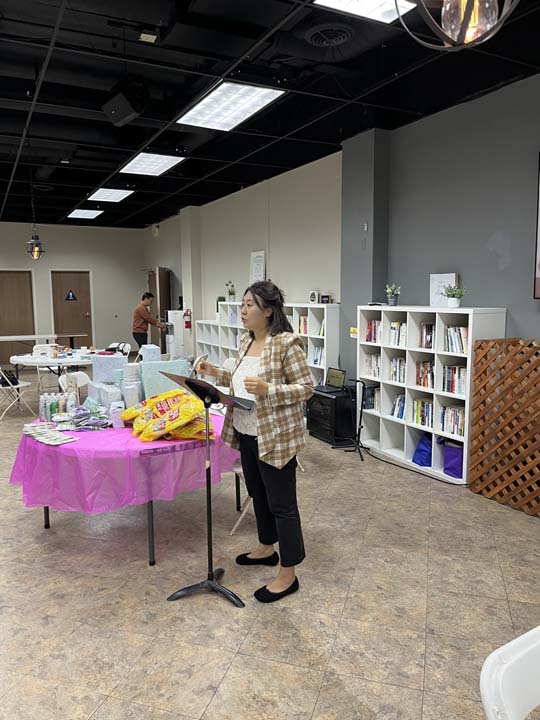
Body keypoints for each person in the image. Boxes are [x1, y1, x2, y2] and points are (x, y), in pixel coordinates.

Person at [197, 281, 313, 603]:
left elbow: (306, 389)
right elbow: (240, 382)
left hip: (274, 437)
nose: (243, 310)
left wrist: (269, 390)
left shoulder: (287, 343)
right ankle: (265, 547)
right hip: (246, 431)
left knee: (282, 505)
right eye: (243, 304)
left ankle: (288, 573)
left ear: (268, 310)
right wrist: (213, 372)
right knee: (258, 494)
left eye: (249, 304)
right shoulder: (245, 341)